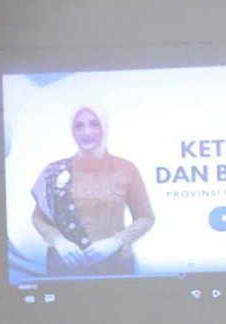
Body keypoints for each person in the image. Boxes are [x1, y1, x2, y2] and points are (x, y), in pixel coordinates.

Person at [30, 105, 155, 276]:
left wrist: (117, 241)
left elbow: (146, 217)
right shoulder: (54, 171)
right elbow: (38, 218)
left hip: (116, 266)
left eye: (94, 124)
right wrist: (57, 241)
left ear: (105, 127)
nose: (86, 132)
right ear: (72, 131)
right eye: (79, 125)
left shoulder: (126, 169)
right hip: (66, 267)